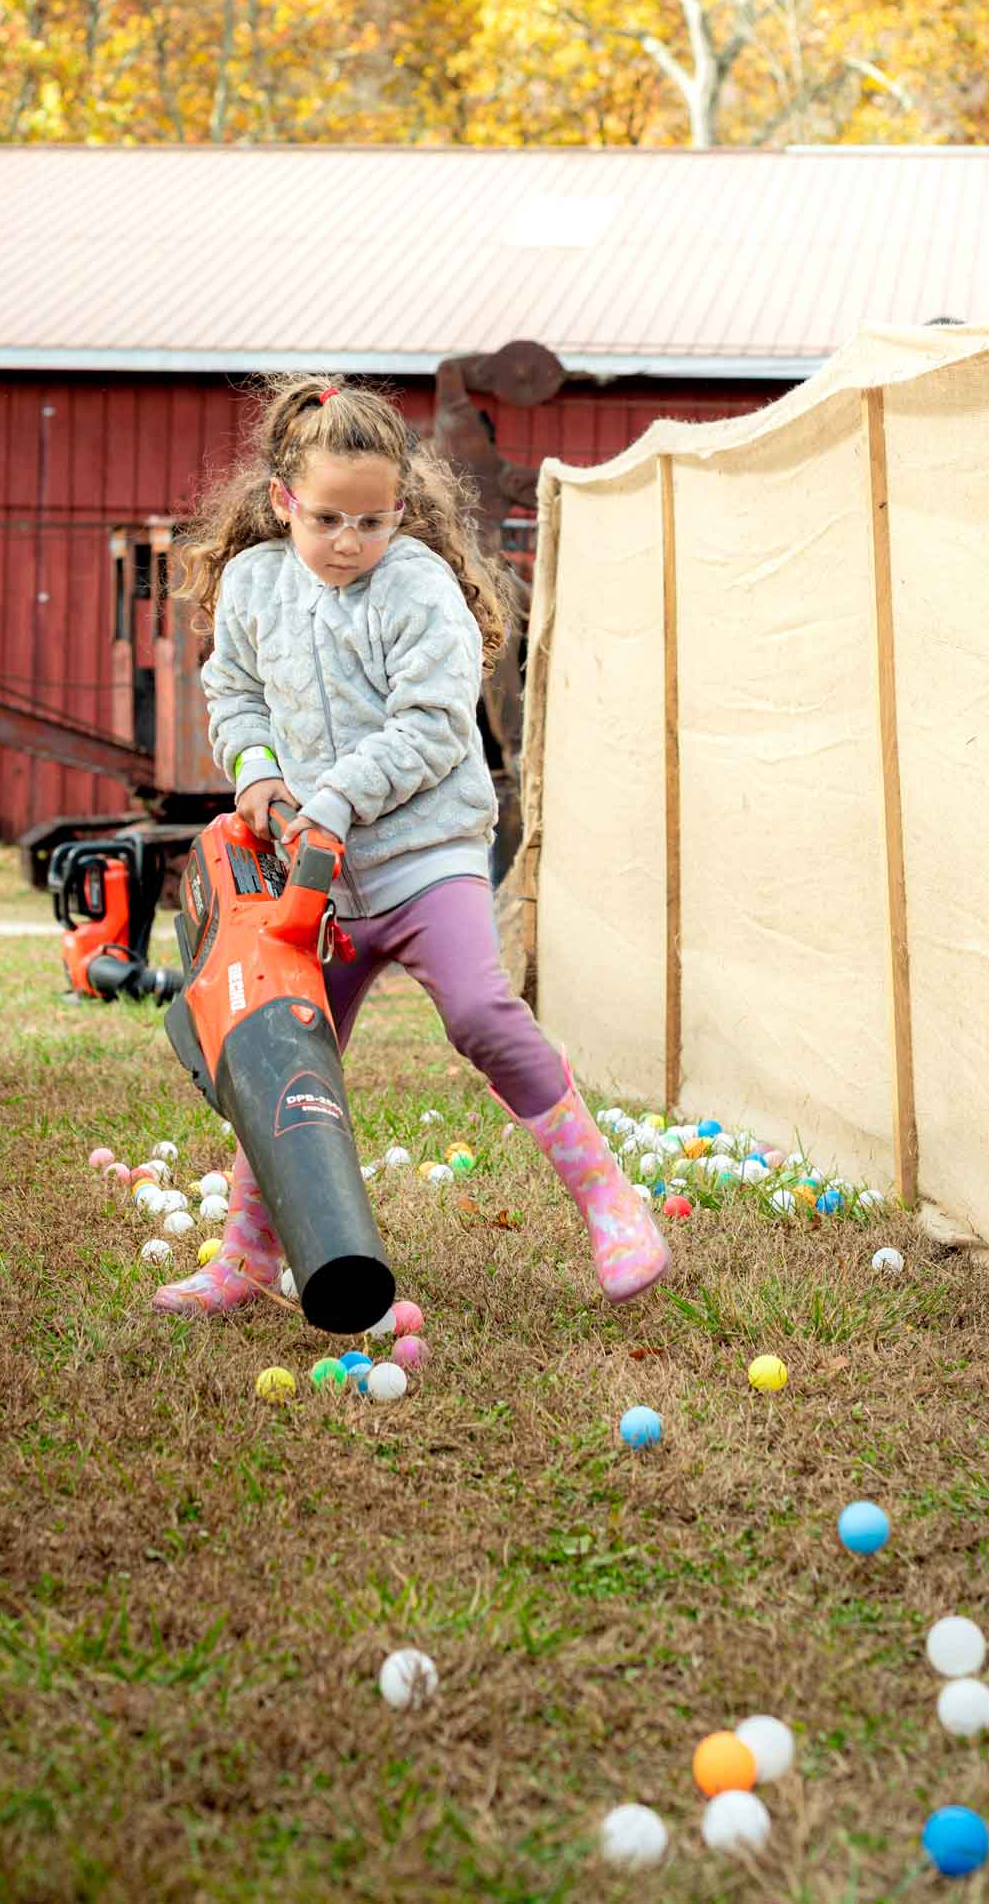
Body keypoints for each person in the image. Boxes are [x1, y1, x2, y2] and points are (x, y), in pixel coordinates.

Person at [149, 374, 671, 1317]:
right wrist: (260, 775)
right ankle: (247, 1258)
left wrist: (336, 800)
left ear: (401, 508)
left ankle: (610, 1201)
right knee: (278, 1055)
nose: (349, 541)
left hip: (426, 855)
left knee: (477, 1008)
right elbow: (234, 693)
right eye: (326, 519)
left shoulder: (418, 586)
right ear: (281, 500)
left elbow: (432, 726)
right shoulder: (254, 585)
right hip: (313, 880)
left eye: (373, 521)